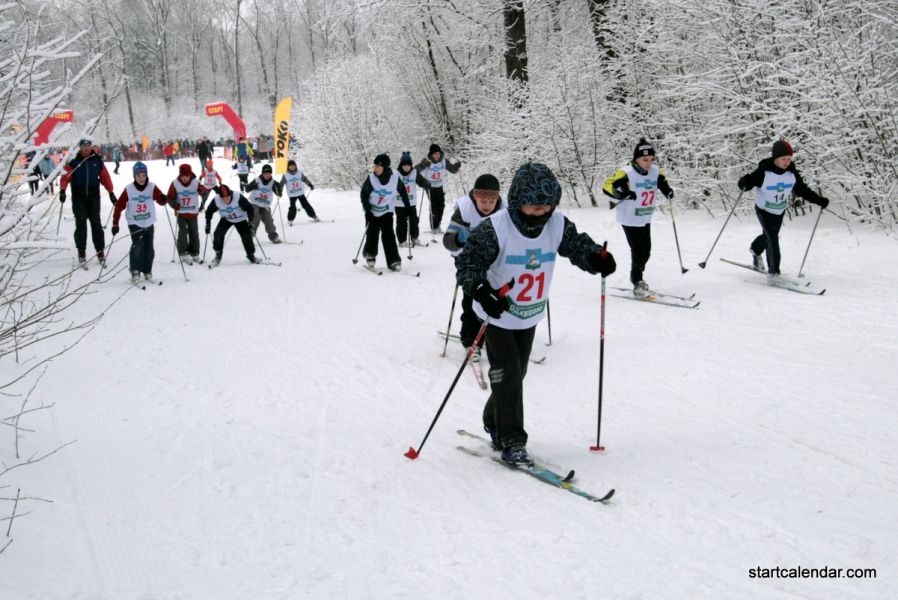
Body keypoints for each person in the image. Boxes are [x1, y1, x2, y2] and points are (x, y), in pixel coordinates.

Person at [455, 162, 616, 466]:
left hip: (528, 314)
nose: (542, 211)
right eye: (534, 205)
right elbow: (468, 264)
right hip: (496, 314)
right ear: (518, 200)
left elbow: (577, 246)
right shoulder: (495, 228)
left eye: (547, 205)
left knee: (516, 375)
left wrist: (595, 257)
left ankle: (493, 420)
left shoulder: (556, 224)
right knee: (508, 375)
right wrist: (481, 290)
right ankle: (512, 440)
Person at [737, 139, 829, 283]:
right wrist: (744, 183)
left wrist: (819, 200)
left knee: (769, 237)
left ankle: (755, 250)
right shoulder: (764, 172)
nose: (787, 162)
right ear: (775, 158)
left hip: (779, 210)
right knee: (772, 238)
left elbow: (803, 190)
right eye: (783, 159)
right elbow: (749, 182)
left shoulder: (792, 174)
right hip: (764, 209)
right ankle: (773, 273)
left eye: (789, 159)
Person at [602, 138, 674, 298]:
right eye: (644, 159)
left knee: (646, 251)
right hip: (629, 218)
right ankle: (637, 280)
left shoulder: (655, 171)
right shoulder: (626, 172)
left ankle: (637, 277)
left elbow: (662, 182)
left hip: (645, 216)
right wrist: (623, 192)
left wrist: (667, 190)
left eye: (651, 159)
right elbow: (608, 186)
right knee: (638, 250)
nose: (649, 163)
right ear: (636, 159)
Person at [443, 173, 503, 358]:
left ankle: (497, 337)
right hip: (468, 262)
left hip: (495, 261)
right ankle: (471, 341)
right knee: (471, 299)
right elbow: (447, 240)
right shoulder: (464, 210)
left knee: (495, 298)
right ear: (475, 197)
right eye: (483, 201)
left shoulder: (506, 209)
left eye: (491, 201)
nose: (487, 206)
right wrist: (460, 239)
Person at [59, 139, 117, 266]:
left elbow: (105, 177)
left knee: (96, 223)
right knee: (81, 223)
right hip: (78, 196)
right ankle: (81, 251)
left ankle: (100, 251)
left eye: (89, 145)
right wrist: (62, 190)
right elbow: (65, 176)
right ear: (80, 147)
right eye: (84, 146)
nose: (87, 148)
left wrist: (111, 192)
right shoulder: (74, 161)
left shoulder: (97, 160)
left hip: (93, 196)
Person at [111, 162, 168, 283]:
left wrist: (163, 199)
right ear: (134, 176)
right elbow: (119, 206)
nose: (141, 178)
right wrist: (115, 223)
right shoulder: (129, 189)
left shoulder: (152, 187)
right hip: (134, 223)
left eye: (143, 175)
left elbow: (160, 200)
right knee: (138, 246)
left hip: (149, 222)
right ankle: (135, 270)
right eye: (138, 175)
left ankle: (147, 270)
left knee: (149, 248)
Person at [359, 153, 410, 271]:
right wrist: (367, 210)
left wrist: (407, 206)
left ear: (385, 167)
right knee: (372, 234)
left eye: (378, 166)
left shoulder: (395, 179)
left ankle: (394, 261)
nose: (375, 168)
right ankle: (370, 256)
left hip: (387, 211)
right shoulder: (371, 178)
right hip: (372, 211)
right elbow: (364, 194)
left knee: (389, 236)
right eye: (374, 166)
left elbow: (403, 192)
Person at [203, 184, 261, 266]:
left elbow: (249, 208)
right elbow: (209, 211)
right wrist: (208, 223)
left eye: (227, 198)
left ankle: (251, 255)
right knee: (217, 234)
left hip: (240, 219)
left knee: (246, 236)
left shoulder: (237, 197)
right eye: (223, 198)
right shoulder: (217, 200)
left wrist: (250, 221)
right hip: (227, 219)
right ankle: (218, 255)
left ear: (231, 194)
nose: (226, 200)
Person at [166, 164, 208, 264]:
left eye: (187, 176)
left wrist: (203, 192)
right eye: (183, 176)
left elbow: (204, 192)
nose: (185, 178)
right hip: (181, 213)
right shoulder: (175, 183)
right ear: (180, 175)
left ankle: (194, 252)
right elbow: (170, 197)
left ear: (190, 175)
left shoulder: (196, 182)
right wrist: (175, 205)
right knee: (183, 232)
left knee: (194, 232)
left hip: (193, 213)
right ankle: (183, 252)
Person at [415, 143, 461, 232]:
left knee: (441, 205)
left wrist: (456, 167)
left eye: (438, 153)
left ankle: (437, 224)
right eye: (435, 154)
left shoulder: (443, 161)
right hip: (430, 187)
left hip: (439, 186)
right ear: (431, 154)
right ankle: (434, 227)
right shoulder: (427, 161)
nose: (437, 156)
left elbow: (452, 170)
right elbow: (414, 170)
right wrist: (422, 165)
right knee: (434, 206)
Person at [395, 151, 430, 246]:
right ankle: (402, 241)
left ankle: (414, 237)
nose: (407, 167)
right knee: (401, 222)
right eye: (404, 165)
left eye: (409, 165)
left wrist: (425, 183)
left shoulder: (414, 172)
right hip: (399, 203)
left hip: (411, 202)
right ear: (401, 165)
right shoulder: (396, 174)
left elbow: (420, 181)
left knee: (414, 221)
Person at [245, 164, 282, 243]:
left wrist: (278, 189)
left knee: (269, 220)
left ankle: (273, 235)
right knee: (255, 218)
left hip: (265, 205)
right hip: (255, 203)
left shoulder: (273, 183)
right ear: (262, 173)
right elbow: (247, 189)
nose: (267, 175)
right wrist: (252, 186)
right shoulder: (257, 180)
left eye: (269, 173)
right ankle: (250, 235)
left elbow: (279, 194)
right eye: (265, 173)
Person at [279, 159, 319, 224]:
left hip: (300, 193)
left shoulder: (299, 173)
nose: (292, 167)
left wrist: (310, 185)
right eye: (290, 166)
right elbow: (282, 183)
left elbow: (305, 179)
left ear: (295, 166)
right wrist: (279, 190)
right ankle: (290, 220)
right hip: (292, 194)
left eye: (293, 165)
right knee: (292, 207)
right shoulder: (285, 175)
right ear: (288, 167)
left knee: (306, 205)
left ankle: (314, 216)